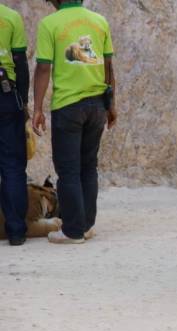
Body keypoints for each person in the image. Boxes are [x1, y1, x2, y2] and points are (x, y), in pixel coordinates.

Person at [32, 0, 117, 244]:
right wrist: (112, 105)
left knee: (68, 170)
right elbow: (109, 67)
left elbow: (44, 68)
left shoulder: (49, 24)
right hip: (97, 104)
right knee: (89, 167)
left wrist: (37, 108)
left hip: (67, 106)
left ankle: (72, 231)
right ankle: (87, 225)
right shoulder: (99, 21)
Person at [0, 4, 29, 246]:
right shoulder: (10, 17)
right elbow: (20, 63)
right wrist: (24, 103)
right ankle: (16, 231)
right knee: (12, 165)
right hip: (5, 95)